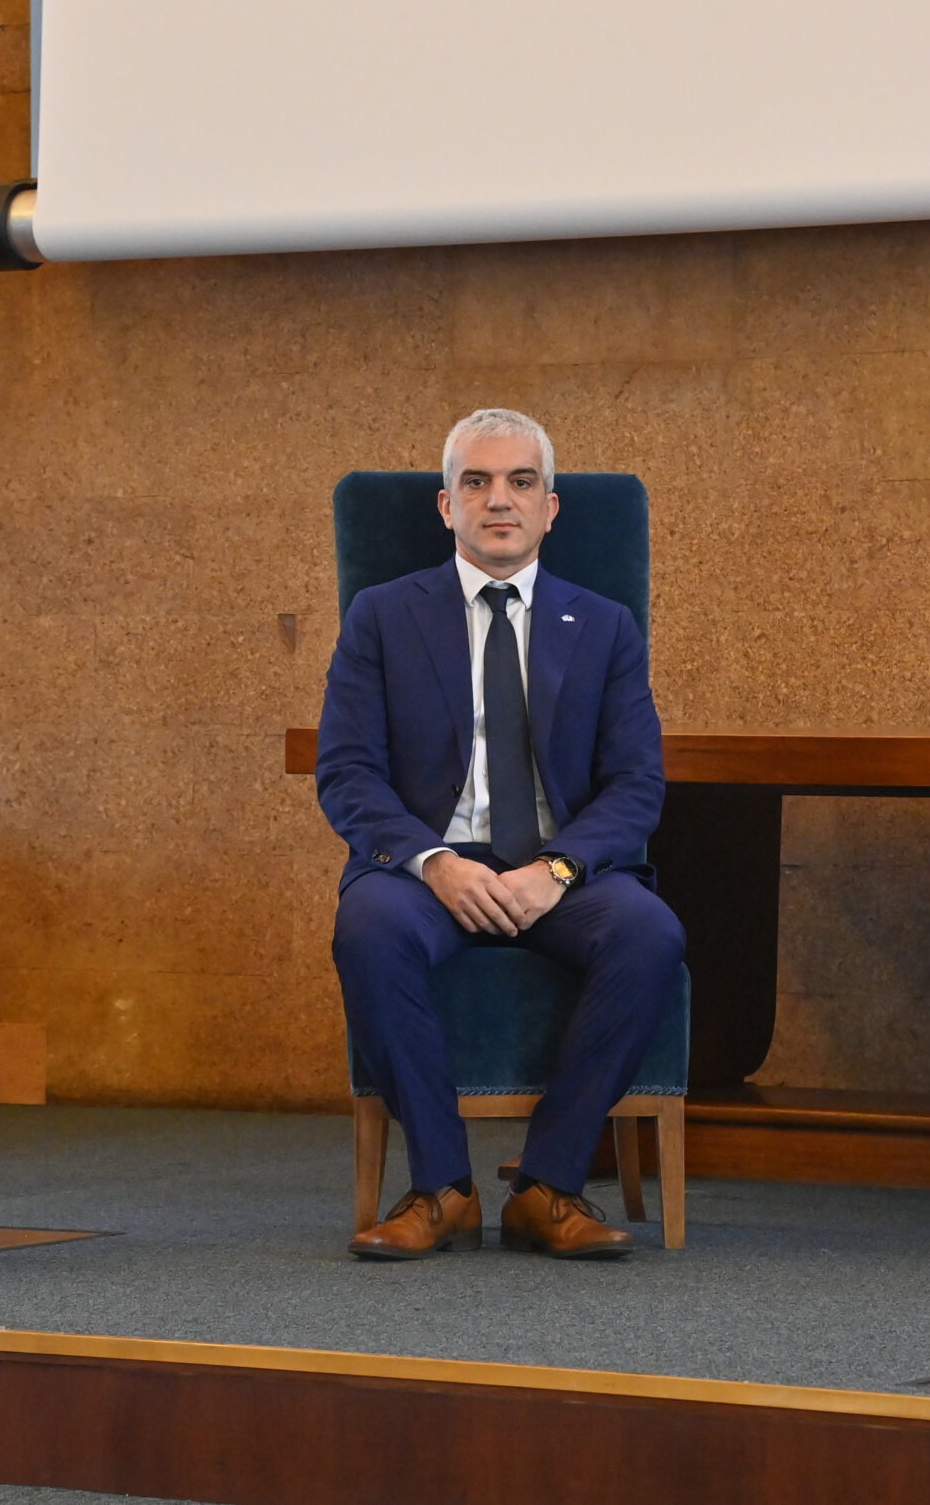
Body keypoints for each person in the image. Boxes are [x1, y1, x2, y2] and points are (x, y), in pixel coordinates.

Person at [318, 409, 685, 1261]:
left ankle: (548, 1186)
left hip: (562, 874)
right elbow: (347, 771)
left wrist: (557, 869)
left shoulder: (604, 626)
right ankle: (443, 1189)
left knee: (650, 933)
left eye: (521, 482)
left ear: (549, 508)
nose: (499, 500)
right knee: (367, 928)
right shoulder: (382, 616)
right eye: (476, 482)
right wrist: (433, 862)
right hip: (424, 872)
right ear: (446, 505)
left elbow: (637, 783)